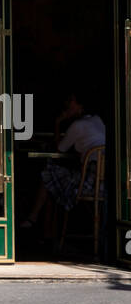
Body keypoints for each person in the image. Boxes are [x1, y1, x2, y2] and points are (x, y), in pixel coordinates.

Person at [20, 90, 106, 234]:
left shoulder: (77, 125)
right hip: (103, 185)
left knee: (48, 174)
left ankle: (34, 219)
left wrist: (58, 123)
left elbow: (59, 149)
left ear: (80, 105)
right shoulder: (98, 120)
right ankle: (44, 227)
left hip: (89, 184)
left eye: (71, 100)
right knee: (55, 174)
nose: (67, 104)